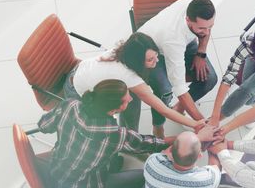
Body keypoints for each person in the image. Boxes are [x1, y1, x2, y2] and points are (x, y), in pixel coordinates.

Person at [38, 79, 173, 188]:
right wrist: (179, 139)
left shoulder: (70, 105)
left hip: (56, 170)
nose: (131, 99)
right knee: (145, 176)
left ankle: (112, 167)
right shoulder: (115, 135)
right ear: (115, 109)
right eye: (127, 99)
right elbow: (150, 144)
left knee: (111, 156)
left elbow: (43, 126)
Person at [63, 32, 203, 132]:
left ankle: (130, 130)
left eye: (155, 56)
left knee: (132, 95)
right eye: (150, 60)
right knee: (132, 97)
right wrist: (195, 124)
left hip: (79, 71)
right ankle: (130, 135)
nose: (157, 61)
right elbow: (163, 109)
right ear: (136, 60)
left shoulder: (126, 50)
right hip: (76, 93)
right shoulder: (127, 75)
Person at [138, 0, 218, 138]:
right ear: (188, 20)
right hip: (152, 50)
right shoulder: (173, 38)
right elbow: (179, 88)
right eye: (201, 28)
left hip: (185, 42)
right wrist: (203, 124)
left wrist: (201, 53)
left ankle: (179, 109)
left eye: (210, 27)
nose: (206, 32)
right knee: (165, 90)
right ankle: (158, 127)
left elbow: (205, 29)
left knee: (210, 78)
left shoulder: (197, 3)